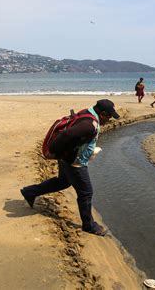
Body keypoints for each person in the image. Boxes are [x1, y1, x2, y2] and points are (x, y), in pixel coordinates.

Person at [20, 99, 120, 236]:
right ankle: (89, 225)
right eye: (109, 116)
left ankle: (29, 192)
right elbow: (67, 134)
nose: (109, 119)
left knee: (63, 182)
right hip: (75, 163)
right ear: (102, 114)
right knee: (86, 192)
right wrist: (54, 152)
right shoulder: (90, 125)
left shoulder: (87, 112)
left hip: (67, 159)